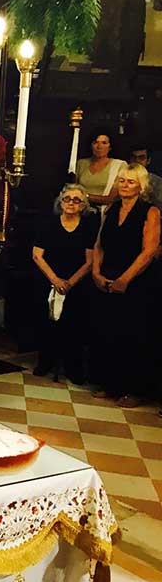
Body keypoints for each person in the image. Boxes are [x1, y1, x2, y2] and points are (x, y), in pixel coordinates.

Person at [89, 163, 160, 407]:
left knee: (133, 335)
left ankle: (134, 389)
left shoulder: (150, 211)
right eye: (122, 181)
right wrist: (96, 272)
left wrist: (125, 279)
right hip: (107, 277)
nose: (125, 185)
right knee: (107, 331)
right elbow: (99, 244)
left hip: (137, 282)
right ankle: (110, 384)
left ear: (141, 186)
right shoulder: (112, 208)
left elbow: (148, 251)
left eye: (130, 181)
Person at [31, 184, 97, 382]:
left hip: (76, 283)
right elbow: (37, 255)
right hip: (49, 279)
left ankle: (73, 368)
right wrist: (55, 280)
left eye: (76, 200)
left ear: (83, 205)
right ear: (61, 201)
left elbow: (90, 261)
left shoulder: (88, 227)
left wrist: (69, 283)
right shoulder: (48, 224)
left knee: (74, 327)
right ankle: (45, 362)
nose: (71, 203)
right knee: (47, 324)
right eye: (67, 199)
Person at [75, 127, 125, 209]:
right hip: (80, 209)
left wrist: (85, 196)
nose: (99, 146)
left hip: (105, 211)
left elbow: (112, 198)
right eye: (95, 143)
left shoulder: (119, 165)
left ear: (110, 147)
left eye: (104, 143)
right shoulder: (81, 163)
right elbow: (73, 190)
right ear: (91, 145)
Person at [129, 141, 162, 208]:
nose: (137, 161)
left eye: (141, 158)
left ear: (148, 161)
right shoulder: (121, 178)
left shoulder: (157, 182)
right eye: (134, 157)